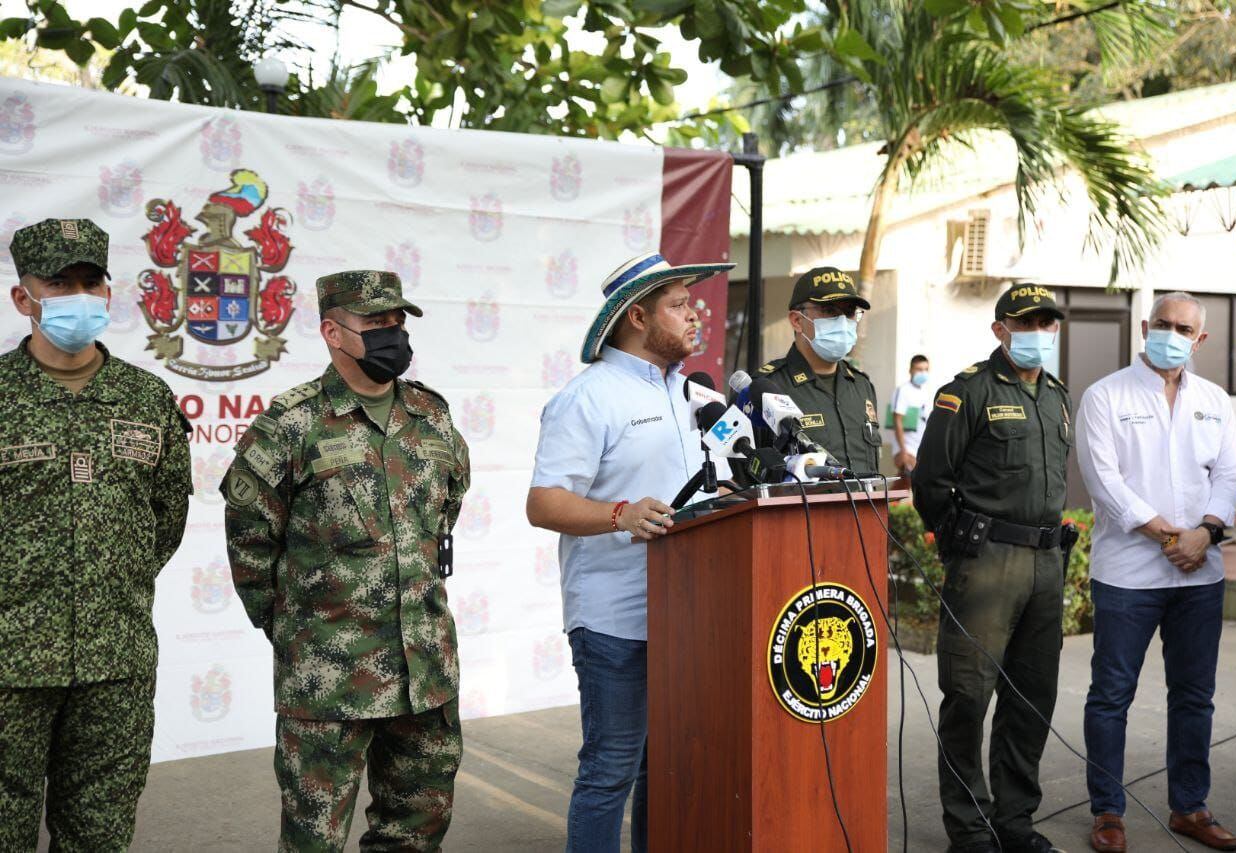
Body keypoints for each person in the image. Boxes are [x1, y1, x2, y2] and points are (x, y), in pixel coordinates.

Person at [221, 270, 469, 852]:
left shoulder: (430, 414)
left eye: (397, 321)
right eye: (375, 322)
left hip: (424, 670)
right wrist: (298, 630)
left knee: (416, 832)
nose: (392, 333)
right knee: (314, 840)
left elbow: (446, 510)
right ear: (332, 332)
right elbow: (250, 540)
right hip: (328, 675)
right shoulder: (292, 424)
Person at [526, 252, 733, 852]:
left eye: (692, 303)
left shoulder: (691, 394)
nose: (694, 315)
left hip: (686, 615)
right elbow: (543, 503)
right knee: (611, 770)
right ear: (637, 317)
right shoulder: (587, 397)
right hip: (614, 618)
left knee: (662, 768)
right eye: (678, 304)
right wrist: (621, 514)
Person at [0, 218, 192, 851]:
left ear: (108, 293)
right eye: (59, 283)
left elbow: (164, 520)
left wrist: (111, 581)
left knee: (99, 834)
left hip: (117, 662)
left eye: (90, 281)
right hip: (9, 663)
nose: (78, 295)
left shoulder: (146, 399)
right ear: (24, 298)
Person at [1077, 292, 1236, 853]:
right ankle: (1107, 811)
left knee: (1195, 696)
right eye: (1163, 324)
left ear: (1200, 340)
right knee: (1111, 696)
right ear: (1146, 328)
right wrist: (1170, 537)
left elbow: (1230, 473)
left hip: (1200, 575)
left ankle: (1190, 807)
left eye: (1184, 329)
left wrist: (1207, 532)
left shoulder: (1215, 400)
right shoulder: (1105, 395)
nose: (1172, 335)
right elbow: (1104, 480)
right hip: (1127, 576)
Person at [912, 283, 1073, 853]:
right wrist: (961, 546)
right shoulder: (968, 391)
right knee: (968, 696)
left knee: (1031, 698)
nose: (1038, 334)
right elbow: (931, 481)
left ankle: (1015, 821)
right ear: (1000, 330)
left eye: (1046, 324)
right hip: (987, 563)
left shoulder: (1056, 396)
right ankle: (969, 829)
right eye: (1026, 324)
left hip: (1047, 561)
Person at [754, 266, 880, 472]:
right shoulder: (767, 388)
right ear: (797, 321)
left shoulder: (861, 386)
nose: (842, 322)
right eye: (829, 311)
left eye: (849, 312)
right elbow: (742, 478)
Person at [889, 353, 932, 488]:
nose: (923, 373)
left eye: (925, 369)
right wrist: (903, 450)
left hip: (922, 447)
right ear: (911, 370)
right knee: (911, 482)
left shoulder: (926, 392)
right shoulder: (903, 390)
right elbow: (897, 420)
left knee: (908, 484)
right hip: (907, 448)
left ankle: (890, 501)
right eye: (919, 369)